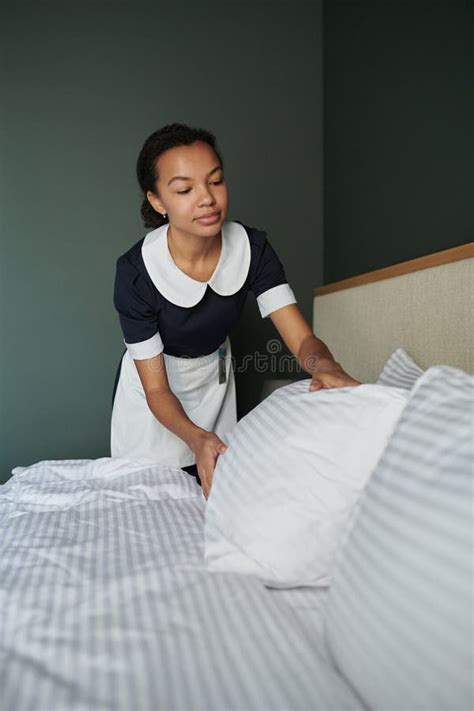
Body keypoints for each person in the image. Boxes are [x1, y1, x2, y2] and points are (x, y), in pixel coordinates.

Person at [110, 123, 361, 498]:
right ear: (158, 200)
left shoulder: (253, 249)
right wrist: (195, 437)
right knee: (150, 497)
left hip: (214, 382)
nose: (207, 199)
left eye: (215, 181)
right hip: (154, 398)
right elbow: (157, 389)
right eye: (184, 189)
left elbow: (302, 338)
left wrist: (323, 366)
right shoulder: (136, 273)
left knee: (215, 490)